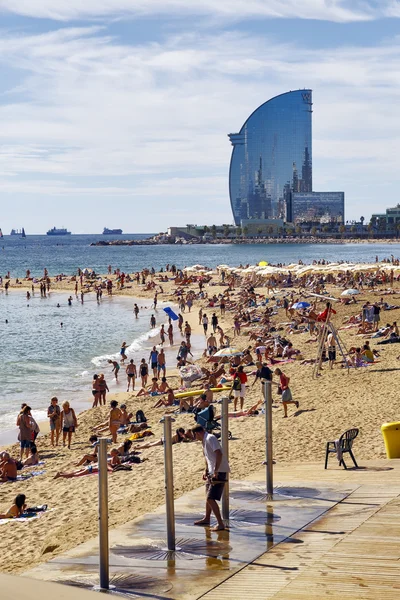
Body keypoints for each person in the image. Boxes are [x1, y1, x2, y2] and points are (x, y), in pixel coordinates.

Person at [192, 425, 230, 531]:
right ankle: (207, 518)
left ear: (198, 433)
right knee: (208, 497)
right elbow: (207, 457)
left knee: (210, 498)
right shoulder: (204, 442)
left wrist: (216, 470)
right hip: (212, 472)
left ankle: (220, 524)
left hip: (219, 471)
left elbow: (219, 453)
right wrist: (206, 470)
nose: (195, 438)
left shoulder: (210, 438)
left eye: (195, 436)